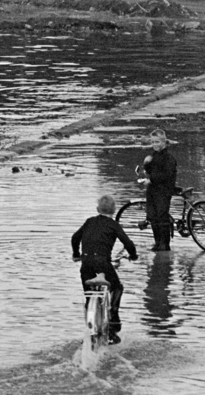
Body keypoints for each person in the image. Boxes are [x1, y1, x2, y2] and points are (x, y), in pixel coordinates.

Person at [72, 194, 138, 342]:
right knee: (117, 287)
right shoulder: (113, 224)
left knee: (89, 294)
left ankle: (91, 324)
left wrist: (76, 254)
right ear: (114, 210)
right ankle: (113, 320)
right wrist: (133, 255)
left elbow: (75, 238)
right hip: (102, 263)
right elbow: (128, 243)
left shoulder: (89, 221)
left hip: (86, 263)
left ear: (97, 209)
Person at [136, 128, 178, 251]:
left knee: (162, 217)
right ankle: (157, 243)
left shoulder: (168, 158)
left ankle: (165, 245)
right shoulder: (153, 156)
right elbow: (150, 171)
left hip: (163, 191)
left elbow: (166, 175)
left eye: (157, 142)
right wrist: (146, 164)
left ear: (164, 142)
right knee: (152, 216)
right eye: (153, 142)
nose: (155, 144)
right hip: (152, 191)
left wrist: (151, 180)